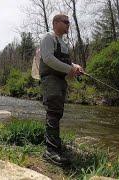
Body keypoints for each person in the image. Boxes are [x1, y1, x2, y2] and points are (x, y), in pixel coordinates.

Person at [39, 14, 84, 166]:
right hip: (50, 80)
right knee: (53, 111)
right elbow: (48, 59)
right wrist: (69, 68)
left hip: (60, 81)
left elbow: (67, 62)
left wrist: (75, 66)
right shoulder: (48, 37)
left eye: (69, 22)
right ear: (56, 23)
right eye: (65, 22)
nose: (68, 24)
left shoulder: (63, 43)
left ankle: (55, 145)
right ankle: (50, 152)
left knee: (57, 112)